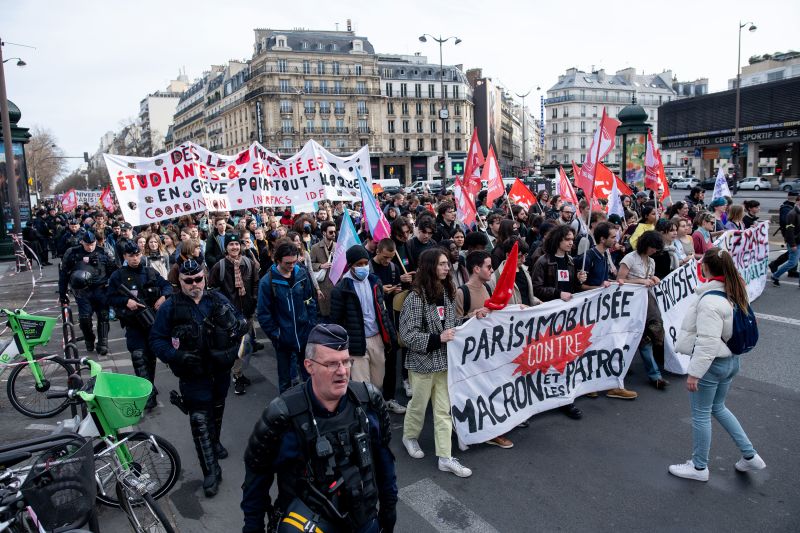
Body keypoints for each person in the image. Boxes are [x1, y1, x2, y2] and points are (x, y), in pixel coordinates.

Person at [241, 324, 397, 533]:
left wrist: (388, 515)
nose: (342, 371)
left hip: (363, 521)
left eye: (345, 361)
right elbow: (255, 484)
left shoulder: (368, 401)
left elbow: (385, 465)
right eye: (331, 364)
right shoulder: (282, 416)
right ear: (309, 366)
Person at [150, 259, 247, 497]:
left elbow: (240, 325)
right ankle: (211, 471)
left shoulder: (217, 299)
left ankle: (214, 443)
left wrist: (233, 337)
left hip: (219, 370)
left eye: (198, 279)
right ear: (179, 281)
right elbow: (156, 340)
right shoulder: (170, 307)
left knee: (216, 410)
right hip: (193, 375)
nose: (195, 284)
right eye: (188, 280)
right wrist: (177, 356)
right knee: (199, 421)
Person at [669, 248, 766, 481]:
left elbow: (707, 343)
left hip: (712, 365)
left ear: (705, 269)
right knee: (718, 408)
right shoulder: (735, 290)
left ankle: (699, 467)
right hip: (731, 361)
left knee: (701, 414)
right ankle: (750, 455)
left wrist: (694, 374)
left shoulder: (710, 300)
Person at [399, 248, 472, 477]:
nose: (446, 268)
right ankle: (409, 437)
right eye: (441, 264)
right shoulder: (415, 297)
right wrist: (437, 338)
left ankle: (445, 457)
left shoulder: (447, 293)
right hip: (422, 363)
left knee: (443, 410)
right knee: (419, 405)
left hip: (443, 363)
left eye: (447, 264)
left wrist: (473, 317)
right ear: (431, 266)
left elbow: (451, 323)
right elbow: (407, 335)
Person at [530, 225, 586, 419]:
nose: (572, 242)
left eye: (573, 239)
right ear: (558, 240)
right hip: (549, 319)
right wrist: (556, 294)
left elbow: (572, 290)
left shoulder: (571, 262)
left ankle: (565, 398)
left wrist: (579, 281)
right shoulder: (543, 262)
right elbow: (536, 289)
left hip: (567, 318)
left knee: (565, 358)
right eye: (568, 239)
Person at [107, 241, 172, 409]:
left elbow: (167, 286)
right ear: (125, 257)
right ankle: (148, 396)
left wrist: (162, 297)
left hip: (152, 324)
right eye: (131, 256)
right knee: (138, 357)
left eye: (137, 255)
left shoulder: (150, 272)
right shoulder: (118, 276)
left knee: (150, 359)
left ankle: (148, 387)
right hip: (133, 324)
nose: (135, 258)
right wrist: (125, 301)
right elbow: (109, 297)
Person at [578, 223, 639, 401]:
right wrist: (600, 287)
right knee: (592, 347)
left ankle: (613, 384)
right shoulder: (588, 257)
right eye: (612, 237)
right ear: (602, 239)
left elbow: (606, 280)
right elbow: (581, 287)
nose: (616, 240)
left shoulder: (606, 255)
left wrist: (612, 283)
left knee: (611, 345)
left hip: (605, 309)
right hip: (591, 310)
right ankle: (591, 384)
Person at [330, 245, 397, 388]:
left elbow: (382, 311)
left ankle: (374, 406)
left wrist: (391, 336)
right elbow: (336, 321)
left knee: (378, 382)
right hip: (356, 343)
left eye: (366, 263)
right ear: (350, 266)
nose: (363, 267)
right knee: (363, 385)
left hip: (377, 340)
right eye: (359, 264)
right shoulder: (341, 289)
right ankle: (366, 410)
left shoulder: (375, 282)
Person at [257, 241, 318, 392]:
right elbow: (264, 314)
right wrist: (276, 334)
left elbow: (310, 301)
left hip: (304, 335)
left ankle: (310, 407)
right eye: (288, 263)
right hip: (283, 338)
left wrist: (311, 325)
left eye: (295, 261)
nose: (292, 265)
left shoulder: (302, 274)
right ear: (278, 260)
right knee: (285, 381)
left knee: (309, 376)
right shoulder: (267, 282)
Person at [207, 234, 259, 395]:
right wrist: (223, 310)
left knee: (245, 345)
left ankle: (238, 374)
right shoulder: (219, 266)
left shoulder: (249, 264)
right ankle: (236, 376)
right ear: (226, 247)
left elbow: (255, 285)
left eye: (237, 244)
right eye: (231, 244)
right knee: (234, 346)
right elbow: (212, 290)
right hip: (229, 317)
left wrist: (253, 302)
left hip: (247, 312)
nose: (235, 247)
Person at [618, 230, 668, 389]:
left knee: (648, 336)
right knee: (634, 339)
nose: (654, 251)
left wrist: (653, 279)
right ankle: (651, 375)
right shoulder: (629, 258)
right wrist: (641, 281)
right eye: (653, 247)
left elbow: (649, 278)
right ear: (646, 245)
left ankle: (655, 375)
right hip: (630, 305)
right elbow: (620, 280)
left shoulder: (651, 262)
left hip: (646, 303)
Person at [59, 231, 116, 355]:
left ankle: (103, 343)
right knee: (84, 319)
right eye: (87, 244)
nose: (90, 247)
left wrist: (113, 289)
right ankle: (89, 339)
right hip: (82, 291)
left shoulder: (105, 252)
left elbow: (115, 272)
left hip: (101, 289)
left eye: (92, 244)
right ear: (82, 242)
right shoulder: (72, 253)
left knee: (103, 317)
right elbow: (64, 273)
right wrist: (62, 293)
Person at [370, 238, 406, 414]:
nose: (387, 261)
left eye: (390, 258)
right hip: (373, 322)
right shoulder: (368, 267)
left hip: (389, 318)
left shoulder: (393, 268)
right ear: (378, 251)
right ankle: (374, 399)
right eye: (385, 257)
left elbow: (398, 286)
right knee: (375, 364)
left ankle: (390, 398)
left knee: (391, 360)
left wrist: (395, 290)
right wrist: (379, 291)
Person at [771, 192, 800, 287]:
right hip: (795, 242)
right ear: (798, 202)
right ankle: (775, 275)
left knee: (793, 262)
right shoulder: (792, 214)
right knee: (792, 262)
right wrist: (792, 244)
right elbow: (789, 231)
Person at [310, 221, 336, 320]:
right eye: (331, 232)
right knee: (325, 315)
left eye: (334, 232)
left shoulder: (338, 246)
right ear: (324, 233)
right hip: (323, 285)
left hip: (335, 283)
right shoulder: (315, 248)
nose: (333, 234)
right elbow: (310, 265)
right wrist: (321, 265)